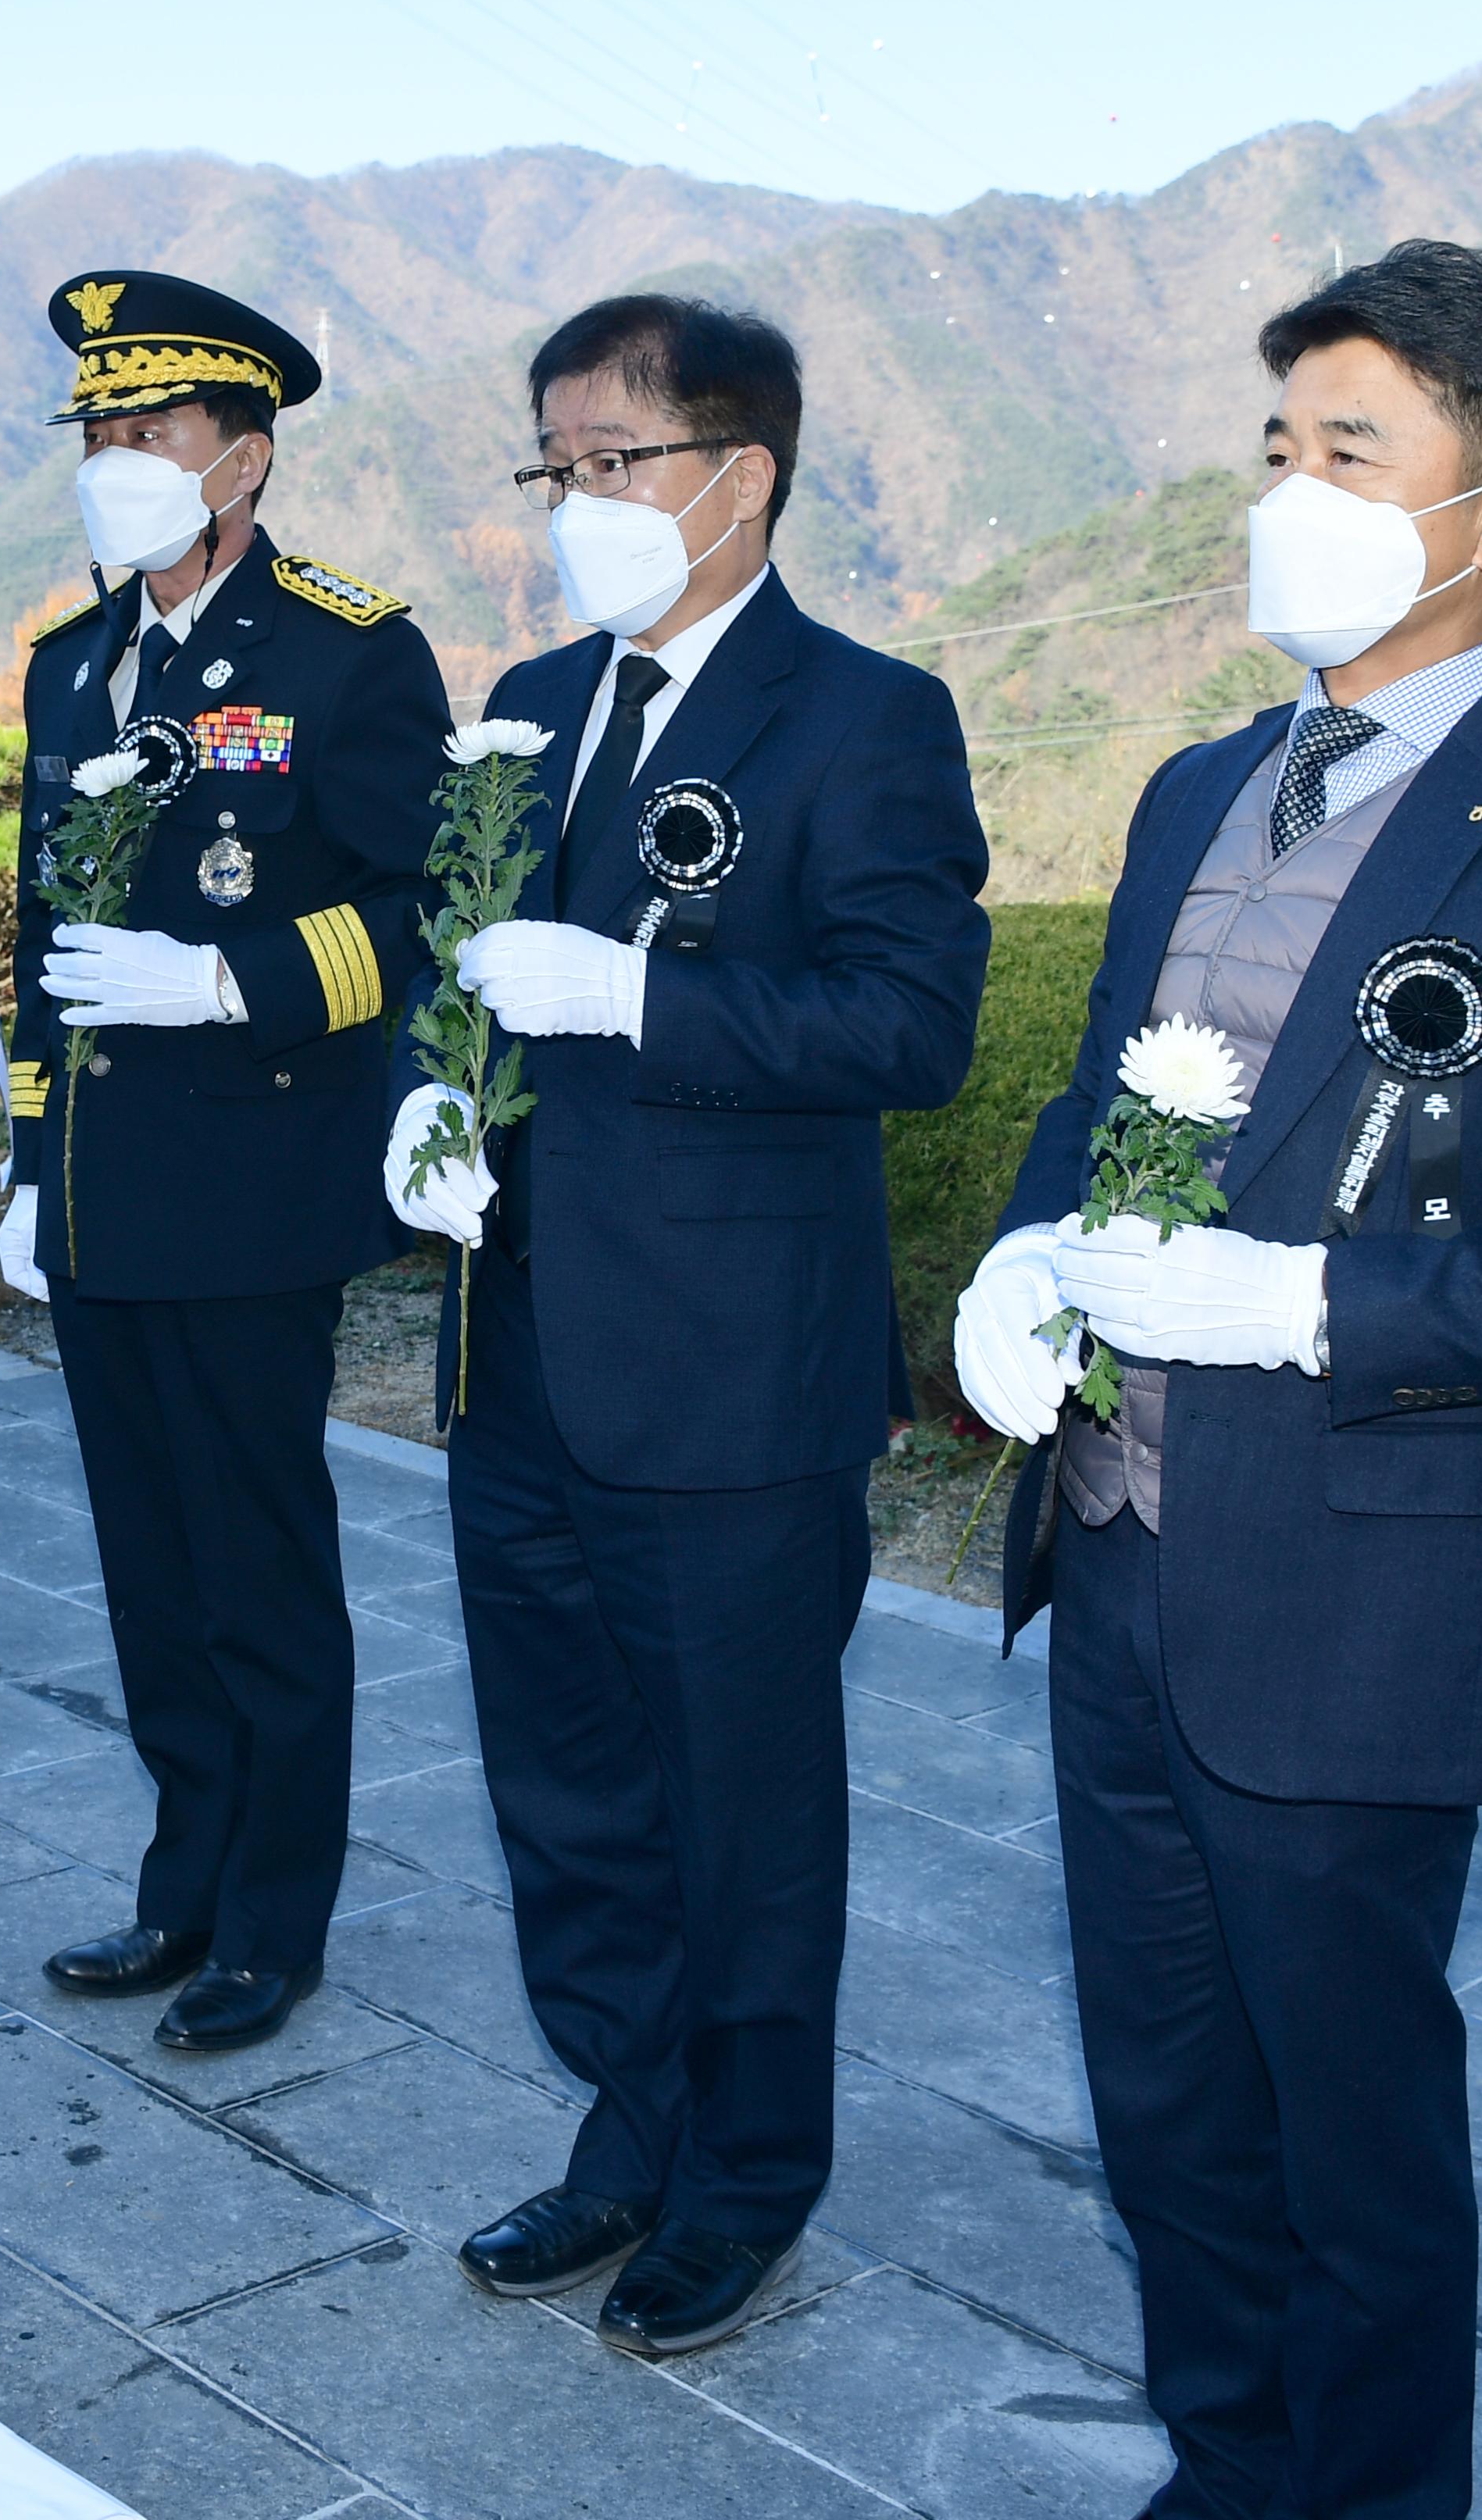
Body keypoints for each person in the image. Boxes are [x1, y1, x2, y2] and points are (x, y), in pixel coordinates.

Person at [948, 239, 1482, 2518]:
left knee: (1350, 2133)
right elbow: (1109, 1088)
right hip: (1113, 1559)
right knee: (1169, 2104)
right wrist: (1027, 1262)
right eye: (1276, 445)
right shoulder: (1199, 784)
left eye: (1348, 449)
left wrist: (1305, 1307)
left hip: (1360, 1594)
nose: (1285, 492)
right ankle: (1226, 2467)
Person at [385, 294, 990, 2359]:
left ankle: (745, 2183)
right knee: (568, 1795)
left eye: (611, 463)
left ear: (740, 474)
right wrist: (434, 1102)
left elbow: (911, 1027)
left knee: (739, 1807)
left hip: (730, 1391)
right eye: (550, 465)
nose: (572, 505)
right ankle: (627, 2131)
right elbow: (452, 969)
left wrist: (643, 1001)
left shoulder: (864, 717)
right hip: (522, 1361)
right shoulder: (536, 698)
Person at [0, 268, 449, 2052]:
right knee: (148, 1572)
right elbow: (46, 933)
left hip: (256, 1188)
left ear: (242, 461)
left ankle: (274, 1915)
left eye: (150, 428)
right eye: (96, 430)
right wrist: (32, 1161)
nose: (116, 457)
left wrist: (224, 978)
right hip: (105, 1192)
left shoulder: (346, 653)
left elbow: (426, 904)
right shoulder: (66, 663)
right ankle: (180, 1880)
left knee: (257, 1572)